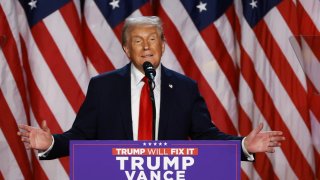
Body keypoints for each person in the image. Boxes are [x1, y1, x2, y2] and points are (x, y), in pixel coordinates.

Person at [17, 16, 285, 161]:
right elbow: (81, 136)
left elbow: (207, 137)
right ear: (126, 49)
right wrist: (50, 142)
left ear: (163, 46)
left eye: (152, 39)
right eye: (137, 41)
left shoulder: (184, 88)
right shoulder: (103, 87)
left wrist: (244, 146)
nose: (146, 46)